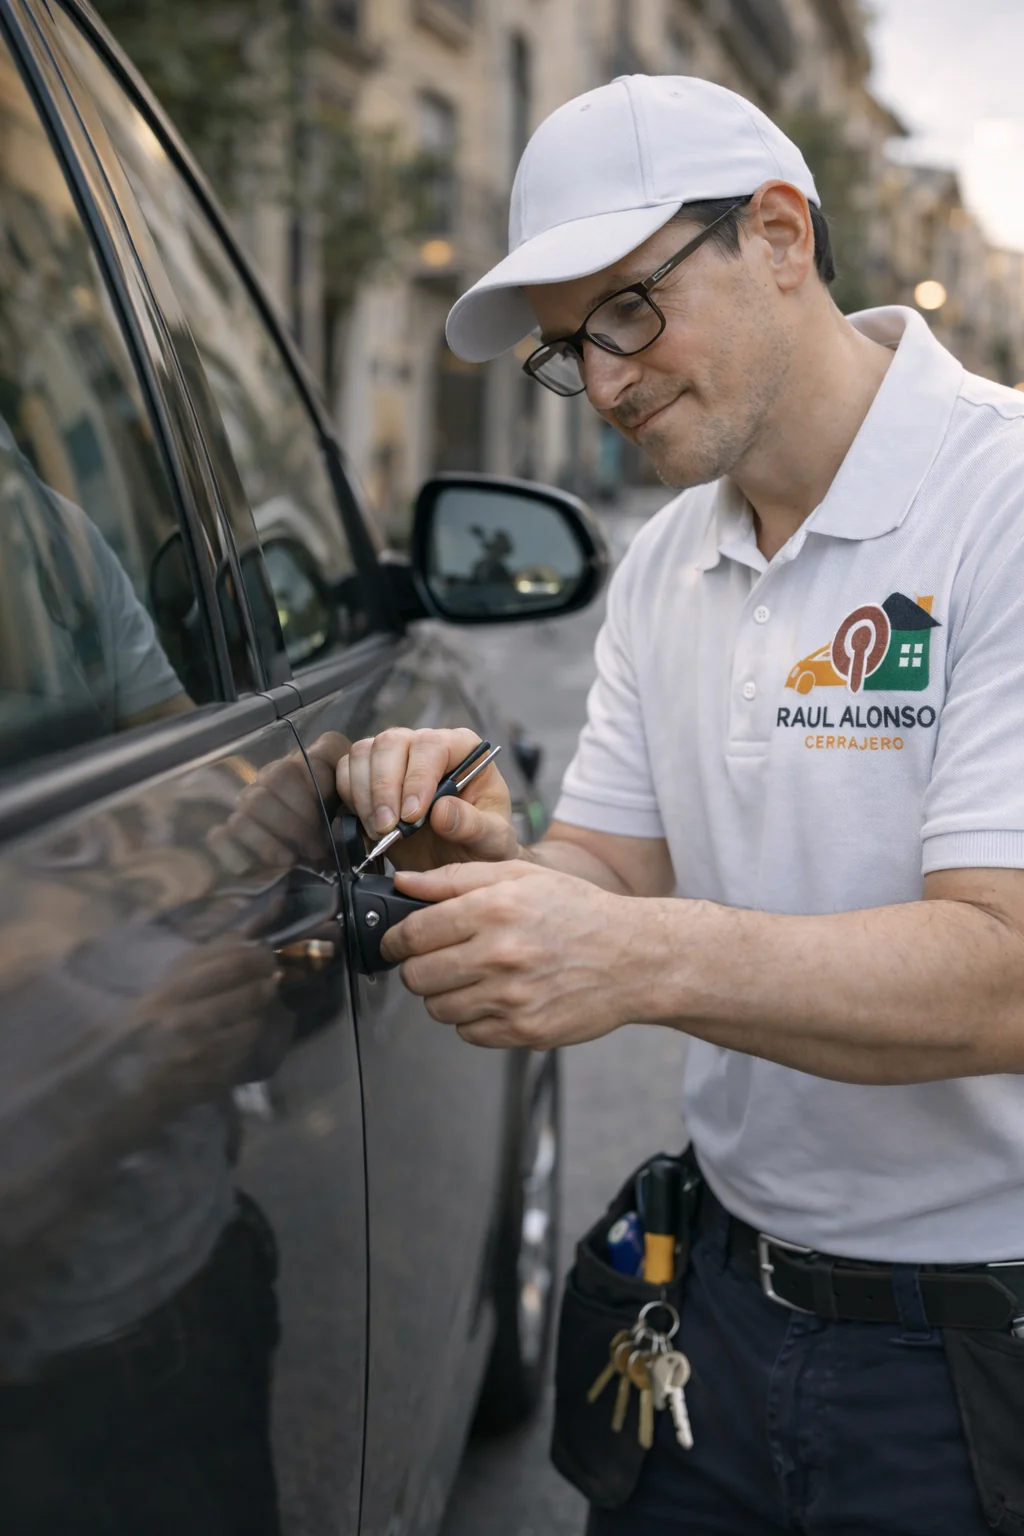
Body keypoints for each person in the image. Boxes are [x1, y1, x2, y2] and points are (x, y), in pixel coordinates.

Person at [337, 75, 1024, 1535]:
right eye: (568, 346)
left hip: (977, 1358)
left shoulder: (1004, 507)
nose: (602, 382)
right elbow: (614, 866)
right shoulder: (665, 561)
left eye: (629, 314)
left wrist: (632, 960)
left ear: (781, 233)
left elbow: (1006, 973)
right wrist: (502, 864)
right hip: (707, 1308)